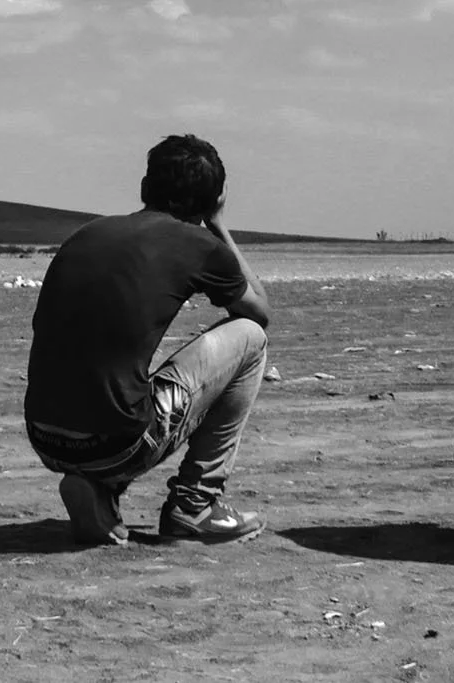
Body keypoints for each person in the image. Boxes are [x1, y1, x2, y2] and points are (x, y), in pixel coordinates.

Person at [22, 134, 273, 547]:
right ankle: (195, 503)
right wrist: (217, 224)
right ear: (212, 200)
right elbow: (259, 310)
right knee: (250, 338)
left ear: (144, 187)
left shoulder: (87, 234)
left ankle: (100, 491)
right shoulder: (200, 245)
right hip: (118, 444)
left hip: (46, 437)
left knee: (113, 373)